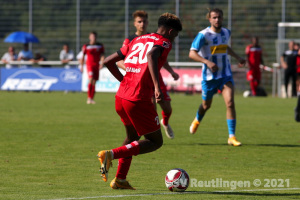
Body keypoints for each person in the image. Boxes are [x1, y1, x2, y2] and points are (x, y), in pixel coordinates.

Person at [98, 13, 182, 189]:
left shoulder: (138, 39)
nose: (174, 39)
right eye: (175, 35)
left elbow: (108, 61)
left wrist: (124, 81)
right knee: (155, 141)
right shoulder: (164, 42)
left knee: (132, 137)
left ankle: (120, 179)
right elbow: (152, 55)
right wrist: (158, 87)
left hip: (121, 97)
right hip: (138, 98)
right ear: (170, 31)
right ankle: (110, 154)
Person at [117, 10, 179, 139]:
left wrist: (171, 71)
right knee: (150, 107)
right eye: (139, 21)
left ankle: (165, 122)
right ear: (135, 24)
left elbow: (159, 57)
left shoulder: (154, 37)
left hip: (155, 76)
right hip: (140, 79)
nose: (142, 24)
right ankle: (151, 133)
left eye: (144, 21)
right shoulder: (131, 39)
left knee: (167, 108)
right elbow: (119, 60)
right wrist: (134, 69)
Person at [188, 8, 246, 146]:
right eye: (214, 17)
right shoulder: (203, 35)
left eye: (219, 17)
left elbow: (225, 47)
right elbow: (192, 53)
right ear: (209, 19)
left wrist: (238, 57)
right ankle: (197, 119)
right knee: (206, 105)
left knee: (230, 103)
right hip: (209, 78)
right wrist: (207, 62)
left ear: (222, 18)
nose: (217, 20)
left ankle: (231, 136)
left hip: (225, 75)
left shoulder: (226, 32)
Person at [80, 32, 105, 104]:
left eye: (94, 36)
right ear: (89, 37)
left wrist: (101, 63)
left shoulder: (100, 46)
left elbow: (102, 55)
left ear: (96, 37)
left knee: (94, 82)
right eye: (92, 36)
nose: (93, 38)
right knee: (91, 79)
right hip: (89, 65)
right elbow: (83, 56)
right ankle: (88, 98)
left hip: (96, 65)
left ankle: (91, 98)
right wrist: (81, 66)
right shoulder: (86, 46)